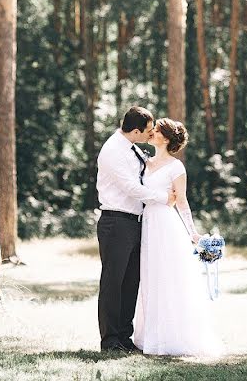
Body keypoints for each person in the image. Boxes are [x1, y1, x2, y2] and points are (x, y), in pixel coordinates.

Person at [132, 118, 223, 357]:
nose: (152, 132)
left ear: (166, 138)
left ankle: (171, 337)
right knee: (149, 278)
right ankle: (148, 336)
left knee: (167, 278)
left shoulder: (176, 167)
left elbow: (181, 202)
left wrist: (192, 232)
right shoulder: (144, 161)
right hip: (146, 223)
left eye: (157, 129)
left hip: (165, 224)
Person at [96, 106, 177, 353]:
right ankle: (110, 340)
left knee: (131, 282)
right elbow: (132, 188)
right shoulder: (112, 151)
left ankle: (124, 336)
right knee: (113, 282)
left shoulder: (133, 148)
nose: (151, 134)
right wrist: (163, 197)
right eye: (149, 130)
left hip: (135, 222)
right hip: (116, 222)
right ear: (135, 130)